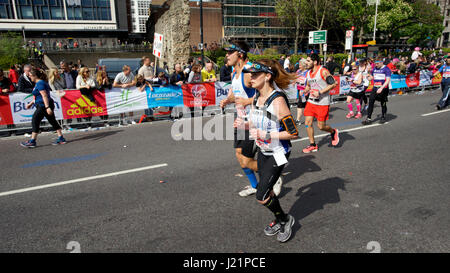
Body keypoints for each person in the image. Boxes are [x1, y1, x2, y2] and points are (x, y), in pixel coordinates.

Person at [242, 60, 298, 243]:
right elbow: (258, 120)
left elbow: (293, 133)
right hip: (263, 150)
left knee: (261, 195)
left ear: (267, 76)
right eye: (251, 74)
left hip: (277, 152)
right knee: (268, 192)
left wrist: (265, 133)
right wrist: (245, 124)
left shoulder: (278, 100)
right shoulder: (257, 97)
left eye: (255, 74)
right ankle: (279, 217)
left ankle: (285, 219)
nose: (251, 77)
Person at [221, 41, 283, 197]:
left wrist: (247, 102)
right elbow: (237, 93)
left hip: (254, 120)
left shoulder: (249, 72)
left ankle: (273, 179)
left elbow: (264, 93)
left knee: (247, 160)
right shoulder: (234, 72)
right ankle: (255, 185)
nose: (226, 56)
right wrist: (228, 100)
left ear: (240, 54)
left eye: (230, 53)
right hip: (241, 119)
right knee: (239, 155)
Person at [302, 53, 340, 154]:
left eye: (308, 61)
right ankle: (313, 145)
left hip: (322, 102)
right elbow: (309, 86)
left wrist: (320, 92)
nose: (306, 62)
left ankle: (333, 132)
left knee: (321, 126)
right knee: (307, 123)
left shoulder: (323, 71)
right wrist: (305, 90)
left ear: (315, 62)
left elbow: (334, 83)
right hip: (311, 101)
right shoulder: (308, 73)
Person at [20, 69, 66, 148]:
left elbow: (44, 95)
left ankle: (32, 141)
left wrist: (47, 107)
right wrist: (31, 103)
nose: (29, 77)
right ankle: (61, 137)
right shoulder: (38, 83)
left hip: (43, 105)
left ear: (35, 76)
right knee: (52, 120)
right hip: (43, 104)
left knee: (35, 120)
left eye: (30, 75)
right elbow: (38, 96)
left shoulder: (40, 83)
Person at [362, 58, 391, 125]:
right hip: (375, 88)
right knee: (371, 102)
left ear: (381, 62)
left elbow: (388, 80)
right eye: (375, 63)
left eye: (377, 63)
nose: (376, 65)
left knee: (383, 103)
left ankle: (383, 116)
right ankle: (368, 118)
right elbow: (371, 78)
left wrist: (381, 88)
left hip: (384, 88)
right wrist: (368, 76)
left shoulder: (386, 69)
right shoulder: (374, 69)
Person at [295, 58, 309, 125]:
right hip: (299, 90)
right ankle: (298, 119)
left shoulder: (308, 72)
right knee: (300, 104)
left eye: (300, 65)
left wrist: (305, 90)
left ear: (304, 65)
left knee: (304, 105)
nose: (299, 66)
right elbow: (296, 78)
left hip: (306, 91)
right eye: (299, 65)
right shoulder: (298, 71)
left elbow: (309, 83)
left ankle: (301, 119)